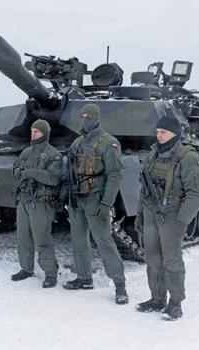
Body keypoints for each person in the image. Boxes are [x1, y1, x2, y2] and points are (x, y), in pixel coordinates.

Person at [134, 116, 199, 320]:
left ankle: (175, 303)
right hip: (151, 212)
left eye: (163, 132)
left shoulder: (187, 157)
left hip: (172, 214)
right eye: (157, 132)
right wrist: (139, 213)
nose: (159, 135)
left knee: (171, 260)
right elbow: (144, 188)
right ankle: (157, 298)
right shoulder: (154, 154)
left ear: (175, 133)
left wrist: (181, 220)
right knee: (152, 258)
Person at [62, 103, 129, 305]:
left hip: (96, 199)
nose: (85, 121)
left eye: (89, 117)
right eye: (82, 117)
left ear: (97, 118)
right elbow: (70, 172)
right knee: (78, 240)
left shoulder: (109, 143)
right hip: (77, 199)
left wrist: (106, 204)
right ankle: (84, 278)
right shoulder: (77, 142)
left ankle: (120, 285)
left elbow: (114, 176)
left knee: (104, 241)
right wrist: (67, 197)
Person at [10, 119, 63, 288]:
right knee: (23, 236)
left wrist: (31, 172)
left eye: (37, 131)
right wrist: (19, 172)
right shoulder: (26, 152)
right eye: (32, 131)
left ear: (45, 133)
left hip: (41, 202)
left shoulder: (53, 154)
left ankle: (50, 272)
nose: (33, 134)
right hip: (24, 200)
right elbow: (15, 168)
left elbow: (53, 178)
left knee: (42, 238)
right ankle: (26, 268)